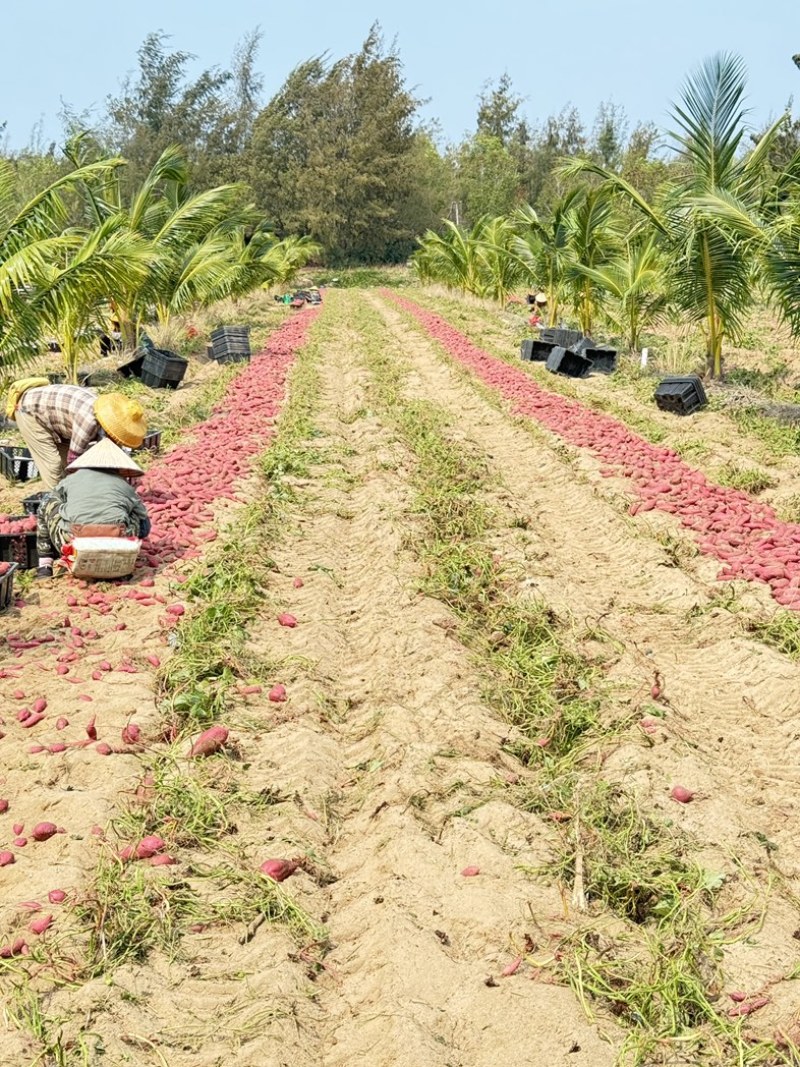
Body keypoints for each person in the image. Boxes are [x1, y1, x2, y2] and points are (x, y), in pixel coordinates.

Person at [35, 438, 150, 579]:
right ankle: (121, 559)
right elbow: (146, 526)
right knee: (137, 514)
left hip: (73, 542)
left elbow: (54, 500)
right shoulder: (125, 486)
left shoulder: (71, 480)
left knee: (46, 501)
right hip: (118, 543)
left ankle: (45, 565)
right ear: (118, 467)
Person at [9, 383, 147, 490]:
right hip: (30, 410)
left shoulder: (110, 421)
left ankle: (67, 494)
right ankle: (56, 507)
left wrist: (122, 479)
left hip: (59, 418)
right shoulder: (89, 420)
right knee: (53, 465)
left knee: (66, 466)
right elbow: (73, 459)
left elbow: (113, 457)